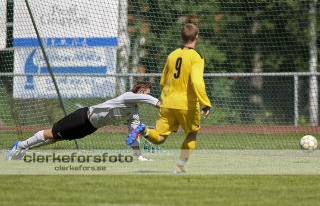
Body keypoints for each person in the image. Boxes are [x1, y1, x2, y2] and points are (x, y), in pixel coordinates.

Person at [126, 23, 212, 173]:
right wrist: (206, 103)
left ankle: (144, 129)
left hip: (167, 102)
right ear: (196, 37)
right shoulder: (196, 57)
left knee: (159, 137)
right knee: (191, 135)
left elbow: (162, 81)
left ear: (182, 37)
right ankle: (179, 167)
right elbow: (197, 81)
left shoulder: (172, 55)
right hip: (186, 105)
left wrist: (168, 95)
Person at [6, 82, 160, 161]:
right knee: (51, 133)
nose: (146, 96)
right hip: (82, 117)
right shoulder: (127, 96)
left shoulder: (134, 113)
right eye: (146, 94)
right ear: (140, 93)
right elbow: (148, 99)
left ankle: (25, 147)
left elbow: (134, 134)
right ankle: (20, 145)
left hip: (90, 128)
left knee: (55, 139)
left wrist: (139, 157)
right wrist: (160, 104)